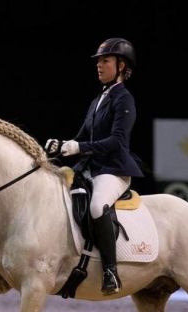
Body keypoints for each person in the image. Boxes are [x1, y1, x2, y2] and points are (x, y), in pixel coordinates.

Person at [46, 37, 144, 296]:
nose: (99, 65)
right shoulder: (98, 99)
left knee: (97, 206)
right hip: (89, 168)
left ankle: (110, 271)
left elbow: (116, 141)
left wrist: (78, 148)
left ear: (121, 65)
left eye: (106, 60)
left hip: (113, 170)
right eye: (99, 61)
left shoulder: (124, 99)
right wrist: (62, 144)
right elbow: (82, 138)